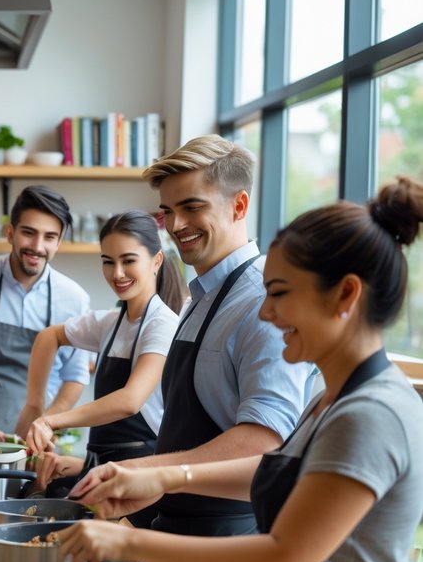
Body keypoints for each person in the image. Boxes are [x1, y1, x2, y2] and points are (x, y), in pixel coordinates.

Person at [62, 180, 423, 562]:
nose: (264, 311)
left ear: (346, 296)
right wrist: (166, 478)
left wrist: (128, 545)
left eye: (279, 294)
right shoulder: (335, 398)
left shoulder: (373, 413)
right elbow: (276, 476)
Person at [109, 135, 310, 536]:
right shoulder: (200, 297)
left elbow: (265, 442)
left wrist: (149, 470)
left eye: (192, 207)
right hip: (174, 528)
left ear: (239, 205)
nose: (176, 226)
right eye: (168, 211)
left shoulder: (262, 302)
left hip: (229, 539)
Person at [18, 211, 186, 515]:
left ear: (156, 261)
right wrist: (35, 406)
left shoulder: (162, 324)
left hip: (139, 480)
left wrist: (51, 420)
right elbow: (48, 337)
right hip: (102, 471)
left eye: (128, 260)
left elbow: (130, 401)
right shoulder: (110, 323)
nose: (117, 273)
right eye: (108, 261)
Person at [0, 185, 91, 438]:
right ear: (10, 232)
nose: (38, 246)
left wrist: (43, 425)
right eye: (29, 233)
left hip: (32, 440)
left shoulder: (75, 299)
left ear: (59, 242)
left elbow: (75, 376)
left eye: (50, 237)